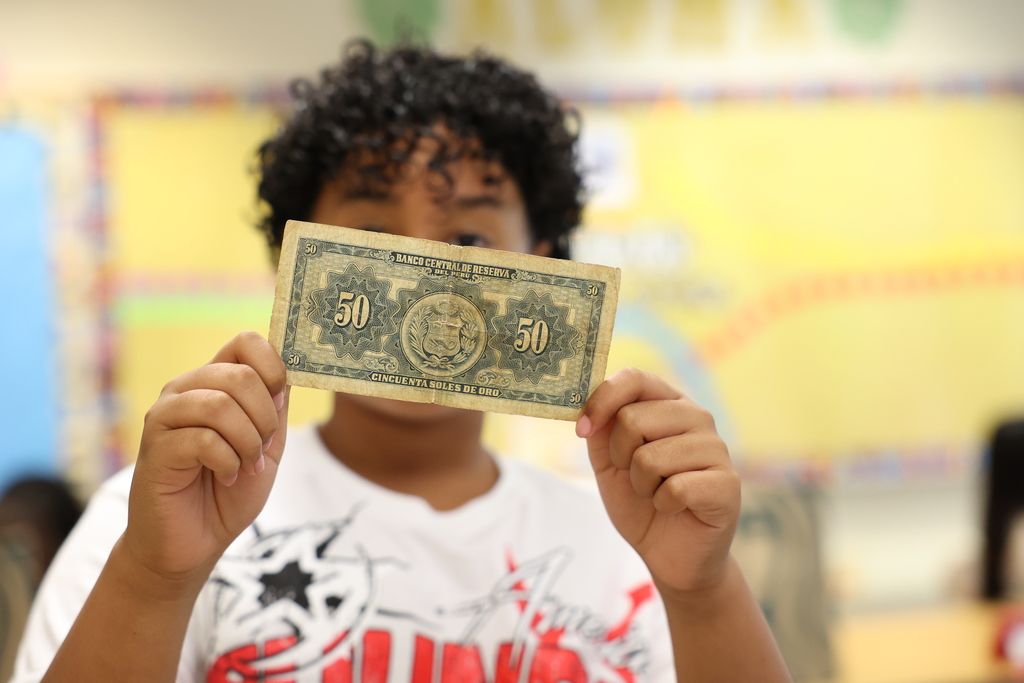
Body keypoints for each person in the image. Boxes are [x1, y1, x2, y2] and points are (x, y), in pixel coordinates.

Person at [12, 41, 791, 683]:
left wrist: (703, 590)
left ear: (542, 264)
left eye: (470, 239)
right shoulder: (165, 516)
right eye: (374, 233)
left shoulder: (631, 547)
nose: (427, 273)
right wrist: (154, 576)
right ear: (302, 263)